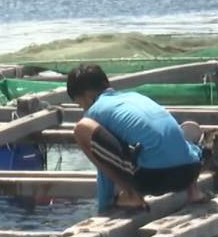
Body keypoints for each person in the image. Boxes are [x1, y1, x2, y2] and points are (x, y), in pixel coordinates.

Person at [66, 64, 203, 209]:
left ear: (86, 95)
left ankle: (131, 195)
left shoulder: (95, 111)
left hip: (156, 178)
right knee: (184, 132)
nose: (83, 108)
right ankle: (194, 192)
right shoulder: (136, 97)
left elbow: (104, 162)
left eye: (79, 103)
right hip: (190, 172)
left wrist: (104, 205)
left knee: (82, 128)